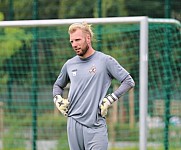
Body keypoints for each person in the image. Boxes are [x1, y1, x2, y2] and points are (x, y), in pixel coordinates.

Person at [53, 22, 135, 150]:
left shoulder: (105, 61)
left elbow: (128, 81)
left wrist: (111, 98)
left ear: (88, 38)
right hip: (73, 123)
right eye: (72, 41)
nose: (74, 44)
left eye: (78, 40)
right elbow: (58, 85)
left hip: (95, 124)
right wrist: (57, 99)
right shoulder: (69, 64)